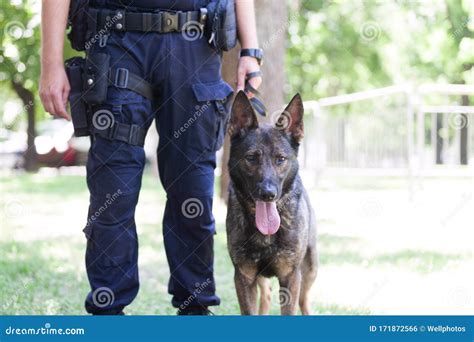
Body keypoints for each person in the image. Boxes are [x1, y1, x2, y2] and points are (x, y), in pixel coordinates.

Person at [39, 0, 263, 315]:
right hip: (115, 41)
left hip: (195, 43)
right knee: (112, 191)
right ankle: (108, 311)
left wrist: (250, 51)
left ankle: (195, 309)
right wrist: (50, 64)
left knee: (193, 188)